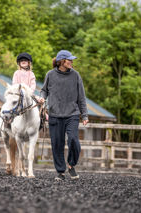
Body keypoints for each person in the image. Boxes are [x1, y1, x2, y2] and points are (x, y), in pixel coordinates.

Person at [40, 50, 89, 180]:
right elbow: (44, 91)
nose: (72, 62)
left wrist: (84, 115)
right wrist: (42, 99)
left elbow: (82, 97)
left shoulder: (76, 75)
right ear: (62, 61)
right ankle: (60, 171)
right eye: (70, 60)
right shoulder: (50, 75)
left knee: (73, 139)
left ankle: (71, 165)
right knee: (57, 144)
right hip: (55, 115)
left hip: (72, 114)